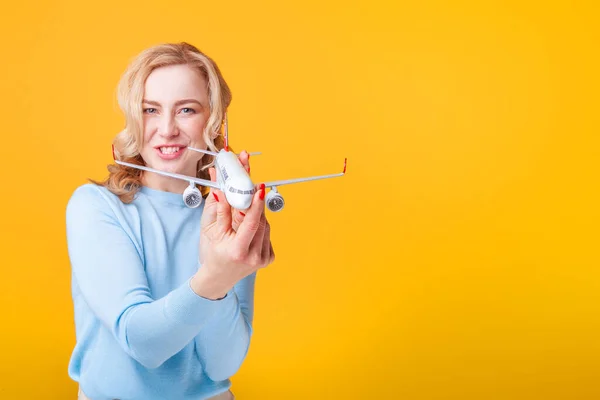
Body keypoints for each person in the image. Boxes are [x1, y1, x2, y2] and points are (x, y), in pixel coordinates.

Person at [65, 42, 274, 400]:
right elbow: (142, 342)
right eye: (150, 110)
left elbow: (222, 366)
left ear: (213, 120)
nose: (166, 129)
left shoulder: (227, 222)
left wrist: (223, 270)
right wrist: (216, 275)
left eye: (186, 110)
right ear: (133, 116)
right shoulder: (95, 207)